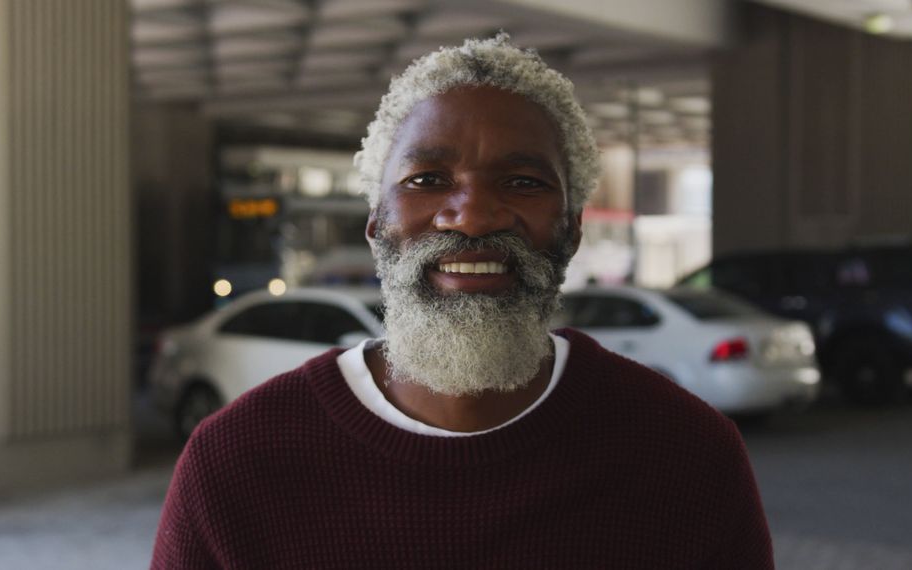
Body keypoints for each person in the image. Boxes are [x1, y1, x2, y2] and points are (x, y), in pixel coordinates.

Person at [151, 34, 773, 569]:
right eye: (427, 180)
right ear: (376, 223)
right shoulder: (234, 465)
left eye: (522, 182)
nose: (473, 217)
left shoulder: (687, 455)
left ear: (573, 228)